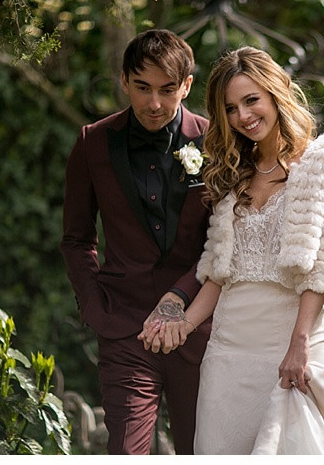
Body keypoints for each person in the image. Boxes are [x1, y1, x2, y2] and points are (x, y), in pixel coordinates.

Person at [138, 46, 324, 454]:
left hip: (290, 343)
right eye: (231, 108)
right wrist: (182, 325)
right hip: (227, 352)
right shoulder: (233, 172)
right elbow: (219, 273)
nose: (243, 115)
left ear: (275, 92)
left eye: (251, 100)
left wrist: (299, 345)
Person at [60, 29, 211, 454]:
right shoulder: (93, 143)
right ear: (124, 80)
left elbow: (224, 244)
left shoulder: (214, 140)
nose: (155, 103)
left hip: (196, 330)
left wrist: (185, 305)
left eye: (167, 90)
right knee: (126, 451)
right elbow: (76, 238)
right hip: (123, 326)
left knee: (201, 450)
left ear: (187, 85)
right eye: (142, 88)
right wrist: (94, 304)